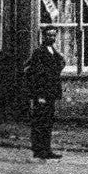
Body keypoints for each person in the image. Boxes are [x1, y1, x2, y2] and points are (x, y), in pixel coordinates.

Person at [24, 28, 66, 160]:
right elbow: (35, 74)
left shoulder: (53, 51)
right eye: (49, 35)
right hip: (42, 94)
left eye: (54, 35)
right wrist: (39, 95)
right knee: (39, 122)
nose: (52, 38)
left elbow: (58, 67)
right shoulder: (39, 52)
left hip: (50, 92)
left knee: (48, 122)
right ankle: (38, 150)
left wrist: (60, 61)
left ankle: (47, 149)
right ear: (43, 36)